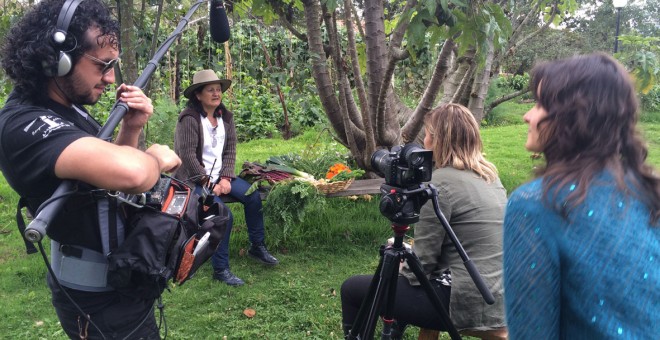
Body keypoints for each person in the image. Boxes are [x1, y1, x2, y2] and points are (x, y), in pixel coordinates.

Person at [0, 0, 181, 338]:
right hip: (96, 305)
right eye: (102, 65)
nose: (111, 78)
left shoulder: (68, 108)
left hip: (119, 280)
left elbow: (110, 183)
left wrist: (131, 129)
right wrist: (154, 160)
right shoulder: (25, 123)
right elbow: (133, 175)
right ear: (57, 59)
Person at [503, 53, 660, 339]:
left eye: (540, 104)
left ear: (571, 115)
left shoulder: (536, 204)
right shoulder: (651, 193)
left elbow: (531, 332)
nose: (528, 115)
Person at [341, 103, 508, 339]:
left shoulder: (439, 185)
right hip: (501, 292)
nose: (424, 142)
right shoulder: (490, 176)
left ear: (438, 140)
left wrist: (403, 261)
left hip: (465, 300)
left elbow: (423, 264)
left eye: (428, 135)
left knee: (351, 289)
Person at [174, 69, 278, 287]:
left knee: (253, 197)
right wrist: (209, 184)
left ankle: (256, 246)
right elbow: (188, 157)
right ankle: (220, 269)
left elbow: (230, 151)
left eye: (218, 90)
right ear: (198, 95)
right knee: (223, 215)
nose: (216, 94)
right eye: (210, 90)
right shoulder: (189, 119)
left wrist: (226, 179)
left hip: (221, 177)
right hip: (194, 180)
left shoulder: (225, 117)